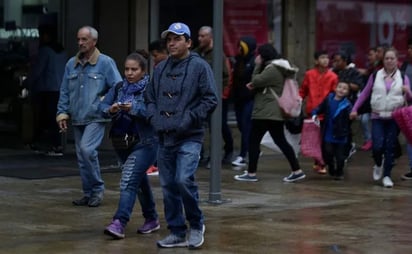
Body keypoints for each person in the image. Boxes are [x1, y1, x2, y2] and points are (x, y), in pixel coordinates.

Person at [145, 22, 218, 249]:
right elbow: (149, 99)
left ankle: (196, 224)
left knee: (183, 180)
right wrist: (154, 118)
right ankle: (176, 231)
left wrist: (189, 118)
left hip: (190, 136)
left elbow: (210, 99)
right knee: (167, 186)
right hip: (164, 136)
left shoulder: (199, 66)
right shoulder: (160, 69)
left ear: (188, 42)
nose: (172, 43)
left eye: (177, 39)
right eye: (169, 39)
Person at [56, 26, 122, 207]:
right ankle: (88, 193)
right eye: (79, 39)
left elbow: (118, 87)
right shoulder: (71, 64)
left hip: (96, 116)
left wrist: (104, 102)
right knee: (81, 157)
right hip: (77, 116)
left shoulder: (105, 62)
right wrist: (62, 113)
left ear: (94, 41)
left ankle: (97, 189)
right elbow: (64, 91)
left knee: (87, 150)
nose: (80, 43)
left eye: (84, 39)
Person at [101, 52, 160, 239]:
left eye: (134, 69)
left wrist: (133, 108)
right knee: (138, 181)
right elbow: (101, 107)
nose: (129, 73)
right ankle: (151, 218)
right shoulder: (119, 87)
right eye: (126, 69)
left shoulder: (150, 88)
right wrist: (110, 109)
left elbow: (153, 113)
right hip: (121, 142)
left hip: (145, 142)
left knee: (128, 179)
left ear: (143, 71)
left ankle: (119, 222)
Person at [233, 43, 305, 183]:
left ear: (264, 55)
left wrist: (257, 66)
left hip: (266, 112)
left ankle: (251, 173)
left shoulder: (272, 68)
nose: (257, 57)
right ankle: (297, 170)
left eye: (259, 55)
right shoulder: (278, 67)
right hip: (271, 112)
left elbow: (256, 80)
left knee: (253, 141)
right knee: (280, 141)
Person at [350, 47, 411, 188]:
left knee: (390, 147)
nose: (389, 61)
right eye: (387, 58)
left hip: (394, 117)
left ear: (397, 60)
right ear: (383, 60)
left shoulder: (402, 77)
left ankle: (387, 175)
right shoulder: (375, 75)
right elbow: (365, 93)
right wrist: (354, 109)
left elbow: (409, 98)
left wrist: (408, 91)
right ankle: (378, 163)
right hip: (377, 116)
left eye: (392, 58)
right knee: (377, 146)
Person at [193, 26, 234, 165]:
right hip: (200, 97)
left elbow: (226, 76)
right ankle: (201, 155)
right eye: (199, 36)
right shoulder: (196, 53)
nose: (200, 39)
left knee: (218, 125)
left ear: (210, 37)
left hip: (216, 96)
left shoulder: (218, 54)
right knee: (199, 125)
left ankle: (226, 151)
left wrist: (221, 94)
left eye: (203, 36)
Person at [27, 25, 67, 155]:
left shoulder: (45, 51)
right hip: (60, 88)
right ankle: (56, 144)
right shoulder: (62, 51)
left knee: (45, 117)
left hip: (47, 89)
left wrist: (28, 82)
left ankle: (47, 144)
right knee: (55, 117)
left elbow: (38, 70)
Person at [299, 50, 338, 174]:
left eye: (327, 58)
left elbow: (334, 94)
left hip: (327, 113)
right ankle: (318, 162)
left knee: (324, 139)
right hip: (312, 112)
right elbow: (303, 90)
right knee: (314, 139)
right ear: (316, 60)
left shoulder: (333, 76)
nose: (325, 60)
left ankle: (324, 162)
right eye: (322, 57)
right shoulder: (309, 74)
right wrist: (297, 101)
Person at [312, 80, 352, 180]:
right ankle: (330, 166)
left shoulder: (347, 104)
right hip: (328, 132)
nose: (341, 90)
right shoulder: (329, 99)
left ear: (347, 92)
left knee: (340, 156)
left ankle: (339, 171)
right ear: (335, 88)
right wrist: (314, 113)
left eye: (344, 88)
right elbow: (319, 108)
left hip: (341, 134)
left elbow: (350, 118)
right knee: (327, 152)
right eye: (340, 87)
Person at [231, 36, 257, 168]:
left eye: (242, 46)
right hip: (238, 99)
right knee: (242, 126)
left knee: (246, 127)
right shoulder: (238, 60)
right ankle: (252, 148)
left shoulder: (253, 62)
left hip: (249, 99)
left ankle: (243, 155)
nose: (239, 49)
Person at [332, 51, 363, 161]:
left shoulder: (353, 72)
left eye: (338, 61)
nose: (335, 63)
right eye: (334, 60)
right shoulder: (334, 72)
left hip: (349, 104)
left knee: (345, 127)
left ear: (345, 61)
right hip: (335, 103)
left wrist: (345, 85)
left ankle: (347, 149)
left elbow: (358, 86)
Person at [357, 47, 378, 151]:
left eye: (371, 54)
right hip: (368, 100)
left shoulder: (379, 69)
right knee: (364, 119)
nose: (369, 57)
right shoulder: (371, 68)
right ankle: (369, 140)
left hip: (377, 101)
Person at [400, 39, 412, 180]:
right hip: (408, 107)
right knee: (410, 138)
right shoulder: (405, 66)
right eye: (408, 47)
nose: (409, 50)